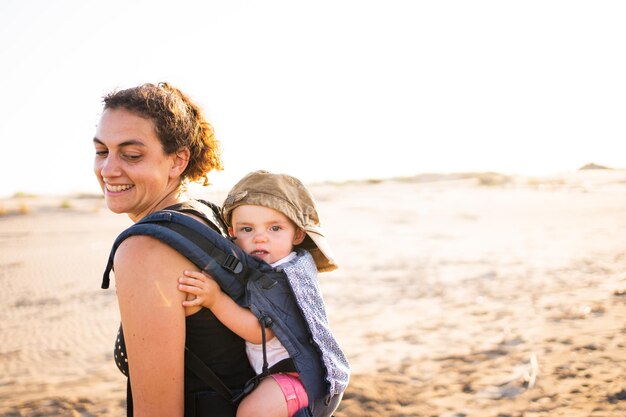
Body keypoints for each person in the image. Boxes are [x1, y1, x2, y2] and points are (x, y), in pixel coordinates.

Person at [94, 82, 255, 417]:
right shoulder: (206, 216)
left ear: (178, 160)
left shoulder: (146, 250)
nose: (109, 169)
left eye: (132, 154)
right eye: (101, 151)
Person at [177, 170, 349, 417]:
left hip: (300, 379)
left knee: (250, 412)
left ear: (298, 234)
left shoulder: (281, 278)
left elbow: (261, 332)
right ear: (232, 234)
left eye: (275, 228)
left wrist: (216, 301)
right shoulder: (275, 266)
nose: (259, 238)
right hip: (286, 376)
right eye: (247, 229)